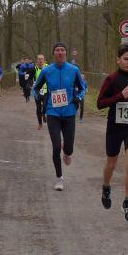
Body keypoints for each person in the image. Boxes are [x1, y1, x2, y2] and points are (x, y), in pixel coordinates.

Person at [96, 43, 128, 223]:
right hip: (114, 129)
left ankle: (127, 202)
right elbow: (100, 103)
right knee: (111, 164)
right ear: (118, 60)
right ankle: (106, 187)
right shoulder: (111, 80)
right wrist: (120, 96)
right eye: (126, 59)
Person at [32, 42, 86, 190]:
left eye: (62, 50)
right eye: (57, 50)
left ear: (66, 53)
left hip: (69, 113)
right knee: (56, 147)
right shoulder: (47, 70)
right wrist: (39, 97)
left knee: (69, 148)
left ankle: (67, 152)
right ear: (54, 53)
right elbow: (35, 88)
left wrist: (78, 98)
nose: (60, 52)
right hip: (53, 113)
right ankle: (59, 178)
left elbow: (83, 88)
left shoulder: (74, 70)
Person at [70, 49, 87, 123]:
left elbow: (84, 88)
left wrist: (81, 94)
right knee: (75, 106)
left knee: (82, 106)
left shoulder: (80, 79)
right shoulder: (70, 78)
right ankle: (73, 114)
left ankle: (81, 118)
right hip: (74, 94)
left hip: (80, 95)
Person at [33, 54, 49, 130]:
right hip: (37, 91)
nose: (40, 61)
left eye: (42, 59)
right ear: (37, 60)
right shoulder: (34, 68)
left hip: (46, 90)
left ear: (44, 60)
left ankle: (44, 114)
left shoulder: (48, 67)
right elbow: (30, 78)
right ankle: (40, 123)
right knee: (38, 107)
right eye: (39, 59)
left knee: (45, 105)